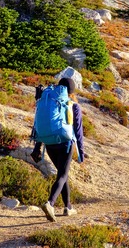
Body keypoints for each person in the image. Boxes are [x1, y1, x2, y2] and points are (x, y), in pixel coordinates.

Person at [31, 77, 86, 222]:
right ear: (72, 91)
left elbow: (38, 124)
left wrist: (37, 147)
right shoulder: (73, 105)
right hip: (66, 143)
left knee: (63, 174)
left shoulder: (48, 101)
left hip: (50, 143)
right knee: (62, 175)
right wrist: (81, 153)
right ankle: (50, 203)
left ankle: (68, 207)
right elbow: (78, 132)